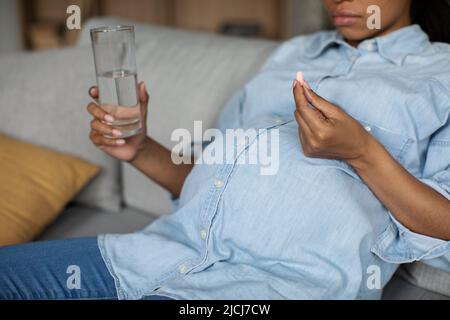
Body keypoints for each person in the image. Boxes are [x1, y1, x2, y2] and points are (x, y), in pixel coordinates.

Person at [1, 0, 450, 300]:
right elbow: (211, 175)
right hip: (153, 253)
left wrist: (362, 152)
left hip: (271, 287)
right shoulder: (295, 52)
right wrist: (140, 148)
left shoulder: (441, 73)